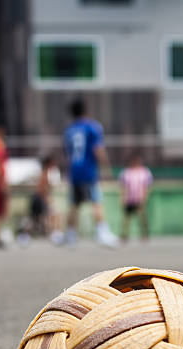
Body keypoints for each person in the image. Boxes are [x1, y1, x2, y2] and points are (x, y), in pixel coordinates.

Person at [63, 98, 118, 247]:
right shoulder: (92, 127)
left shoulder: (69, 130)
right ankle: (102, 232)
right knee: (96, 201)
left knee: (74, 204)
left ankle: (70, 235)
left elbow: (67, 153)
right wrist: (106, 168)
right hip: (88, 171)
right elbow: (97, 149)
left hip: (74, 171)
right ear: (86, 110)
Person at [30, 155, 63, 244]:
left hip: (39, 199)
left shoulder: (44, 173)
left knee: (53, 214)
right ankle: (54, 233)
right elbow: (42, 190)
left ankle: (53, 232)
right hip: (40, 200)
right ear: (49, 163)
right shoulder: (45, 174)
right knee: (55, 214)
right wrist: (48, 201)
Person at [119, 153, 153, 241]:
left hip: (139, 198)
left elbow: (147, 186)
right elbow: (123, 187)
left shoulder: (145, 172)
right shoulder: (126, 172)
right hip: (129, 199)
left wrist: (145, 197)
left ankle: (145, 233)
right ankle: (124, 234)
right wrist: (123, 198)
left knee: (142, 217)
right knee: (127, 218)